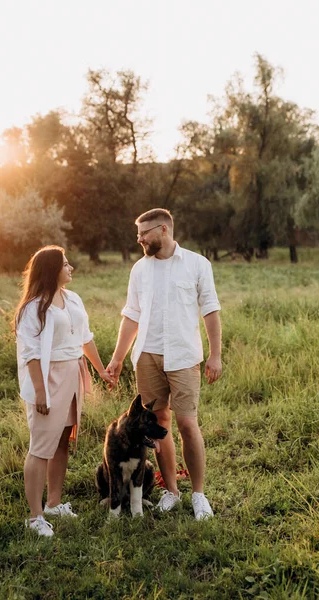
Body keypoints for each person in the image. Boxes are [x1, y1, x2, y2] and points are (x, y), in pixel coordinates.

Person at [107, 209, 222, 519]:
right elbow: (131, 315)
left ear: (163, 230)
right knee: (158, 425)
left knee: (187, 423)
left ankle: (198, 495)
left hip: (184, 356)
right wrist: (118, 358)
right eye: (138, 234)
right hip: (146, 356)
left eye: (144, 233)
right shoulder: (139, 270)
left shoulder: (197, 264)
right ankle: (171, 490)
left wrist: (215, 354)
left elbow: (210, 311)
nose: (139, 239)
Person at [15, 245, 114, 537]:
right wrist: (40, 392)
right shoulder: (34, 307)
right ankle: (34, 518)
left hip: (74, 373)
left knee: (61, 442)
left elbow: (86, 339)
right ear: (51, 269)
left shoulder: (73, 299)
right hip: (48, 377)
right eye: (66, 264)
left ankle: (54, 503)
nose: (71, 268)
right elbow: (30, 354)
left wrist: (101, 370)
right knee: (40, 446)